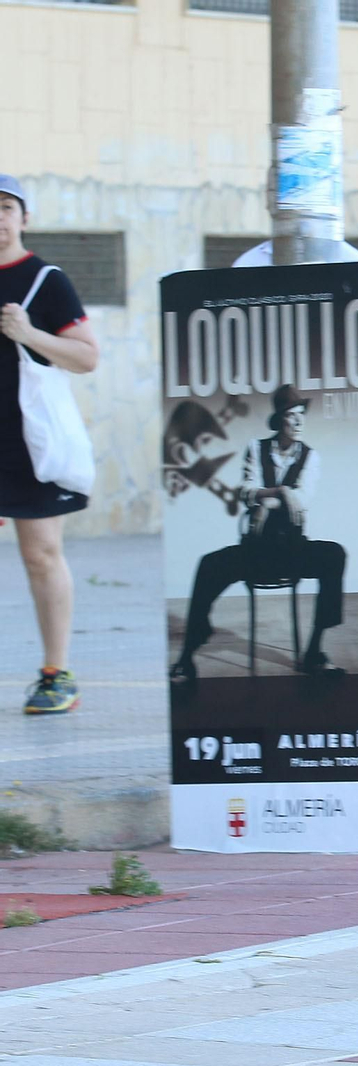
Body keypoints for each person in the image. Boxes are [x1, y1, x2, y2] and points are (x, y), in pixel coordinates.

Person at [0, 175, 100, 716]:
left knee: (40, 554)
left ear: (24, 218)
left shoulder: (46, 280)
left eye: (6, 207)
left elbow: (86, 357)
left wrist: (29, 335)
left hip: (27, 445)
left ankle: (56, 674)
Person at [169, 384, 348, 682]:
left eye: (301, 415)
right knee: (208, 565)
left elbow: (301, 500)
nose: (299, 421)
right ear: (280, 420)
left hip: (292, 551)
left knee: (334, 554)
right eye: (292, 416)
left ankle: (315, 651)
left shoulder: (311, 457)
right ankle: (187, 656)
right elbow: (245, 491)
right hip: (256, 551)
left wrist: (268, 500)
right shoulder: (256, 448)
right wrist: (279, 492)